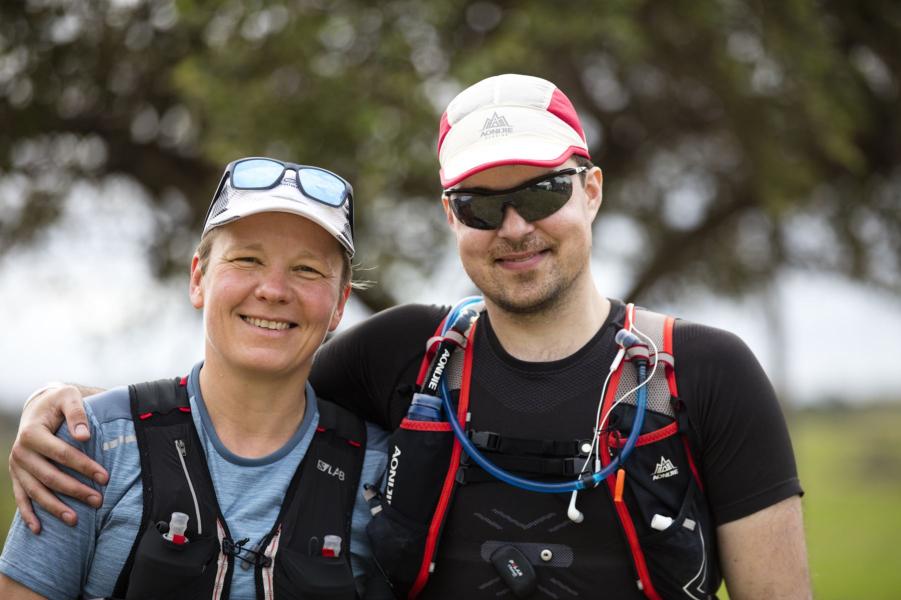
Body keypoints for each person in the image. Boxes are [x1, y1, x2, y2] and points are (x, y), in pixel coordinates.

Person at [9, 75, 810, 599]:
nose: (515, 226)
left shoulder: (704, 374)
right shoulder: (406, 357)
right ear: (449, 217)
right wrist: (75, 408)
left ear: (591, 190)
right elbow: (246, 379)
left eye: (541, 190)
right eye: (480, 205)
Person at [0, 157, 389, 599]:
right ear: (198, 278)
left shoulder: (381, 473)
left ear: (339, 302)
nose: (273, 290)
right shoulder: (93, 448)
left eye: (307, 269)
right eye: (247, 259)